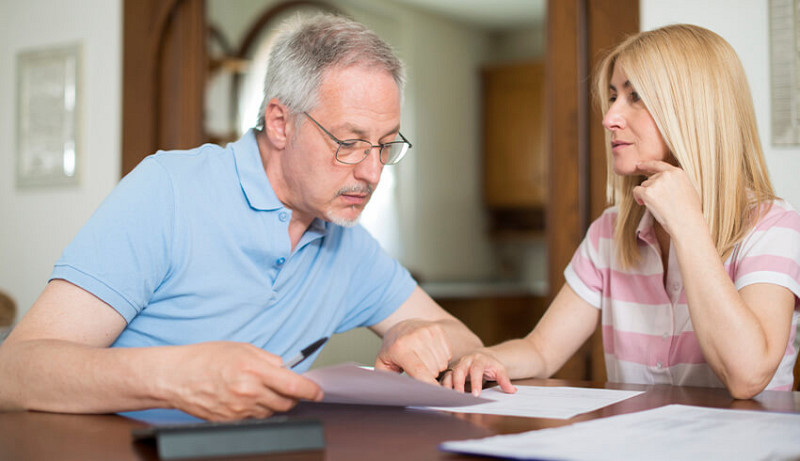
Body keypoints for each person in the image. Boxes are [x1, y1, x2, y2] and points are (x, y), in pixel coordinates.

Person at [0, 13, 481, 421]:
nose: (373, 171)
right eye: (349, 143)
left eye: (384, 145)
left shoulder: (344, 239)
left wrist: (407, 331)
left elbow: (464, 339)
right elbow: (14, 371)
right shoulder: (169, 190)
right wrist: (177, 376)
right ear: (279, 123)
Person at [443, 24, 800, 399]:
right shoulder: (609, 231)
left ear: (693, 110)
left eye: (636, 96)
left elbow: (748, 377)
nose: (609, 117)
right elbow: (541, 350)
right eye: (614, 96)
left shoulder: (772, 226)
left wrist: (687, 225)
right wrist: (483, 358)